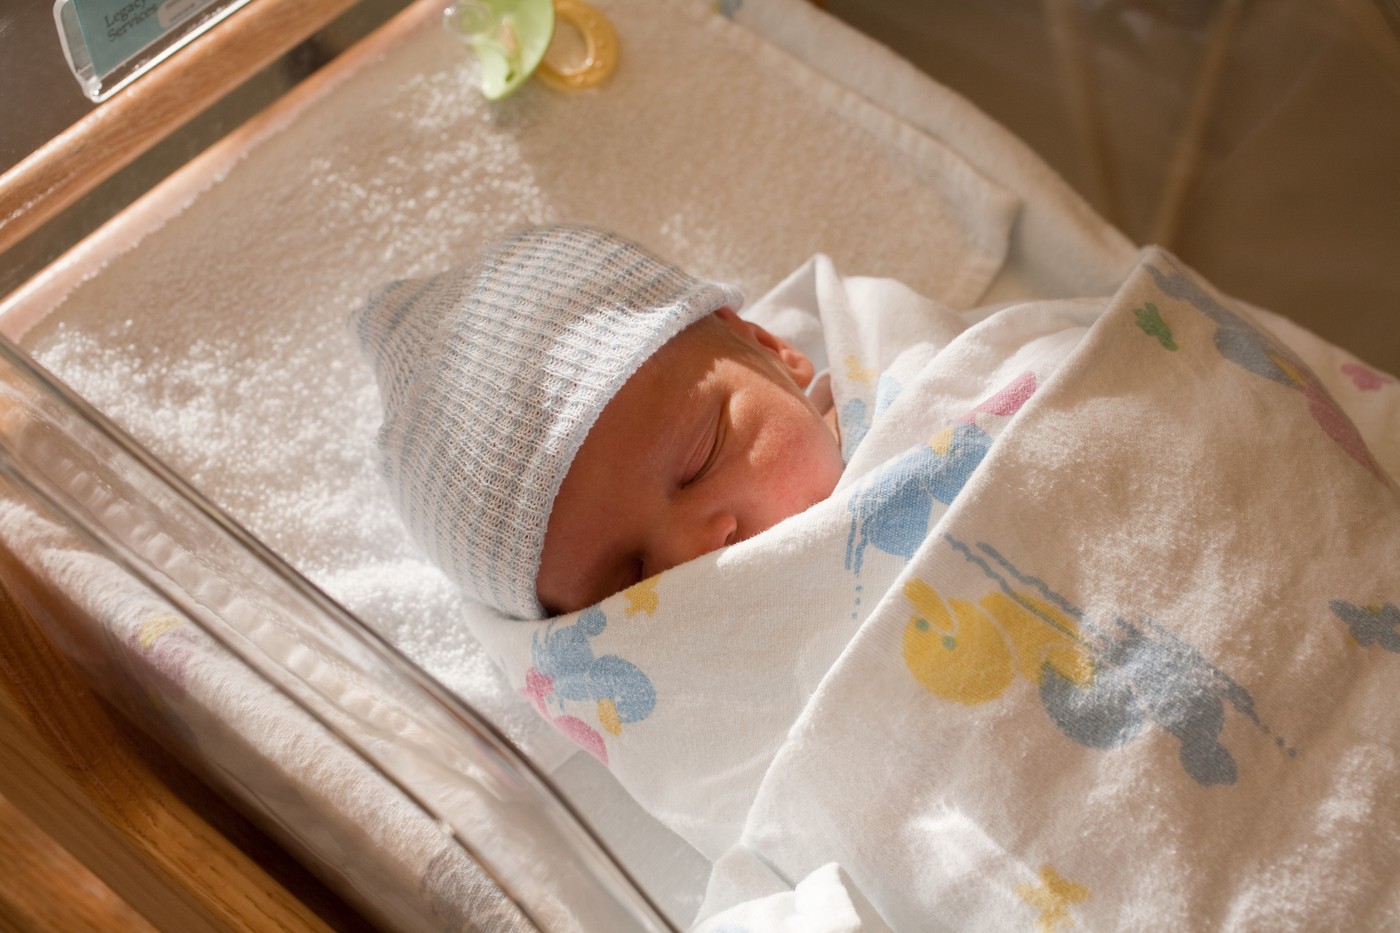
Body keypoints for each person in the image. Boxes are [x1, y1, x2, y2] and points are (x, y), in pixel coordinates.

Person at [354, 224, 845, 619]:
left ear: (767, 345)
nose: (696, 553)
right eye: (634, 581)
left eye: (702, 460)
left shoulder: (887, 383)